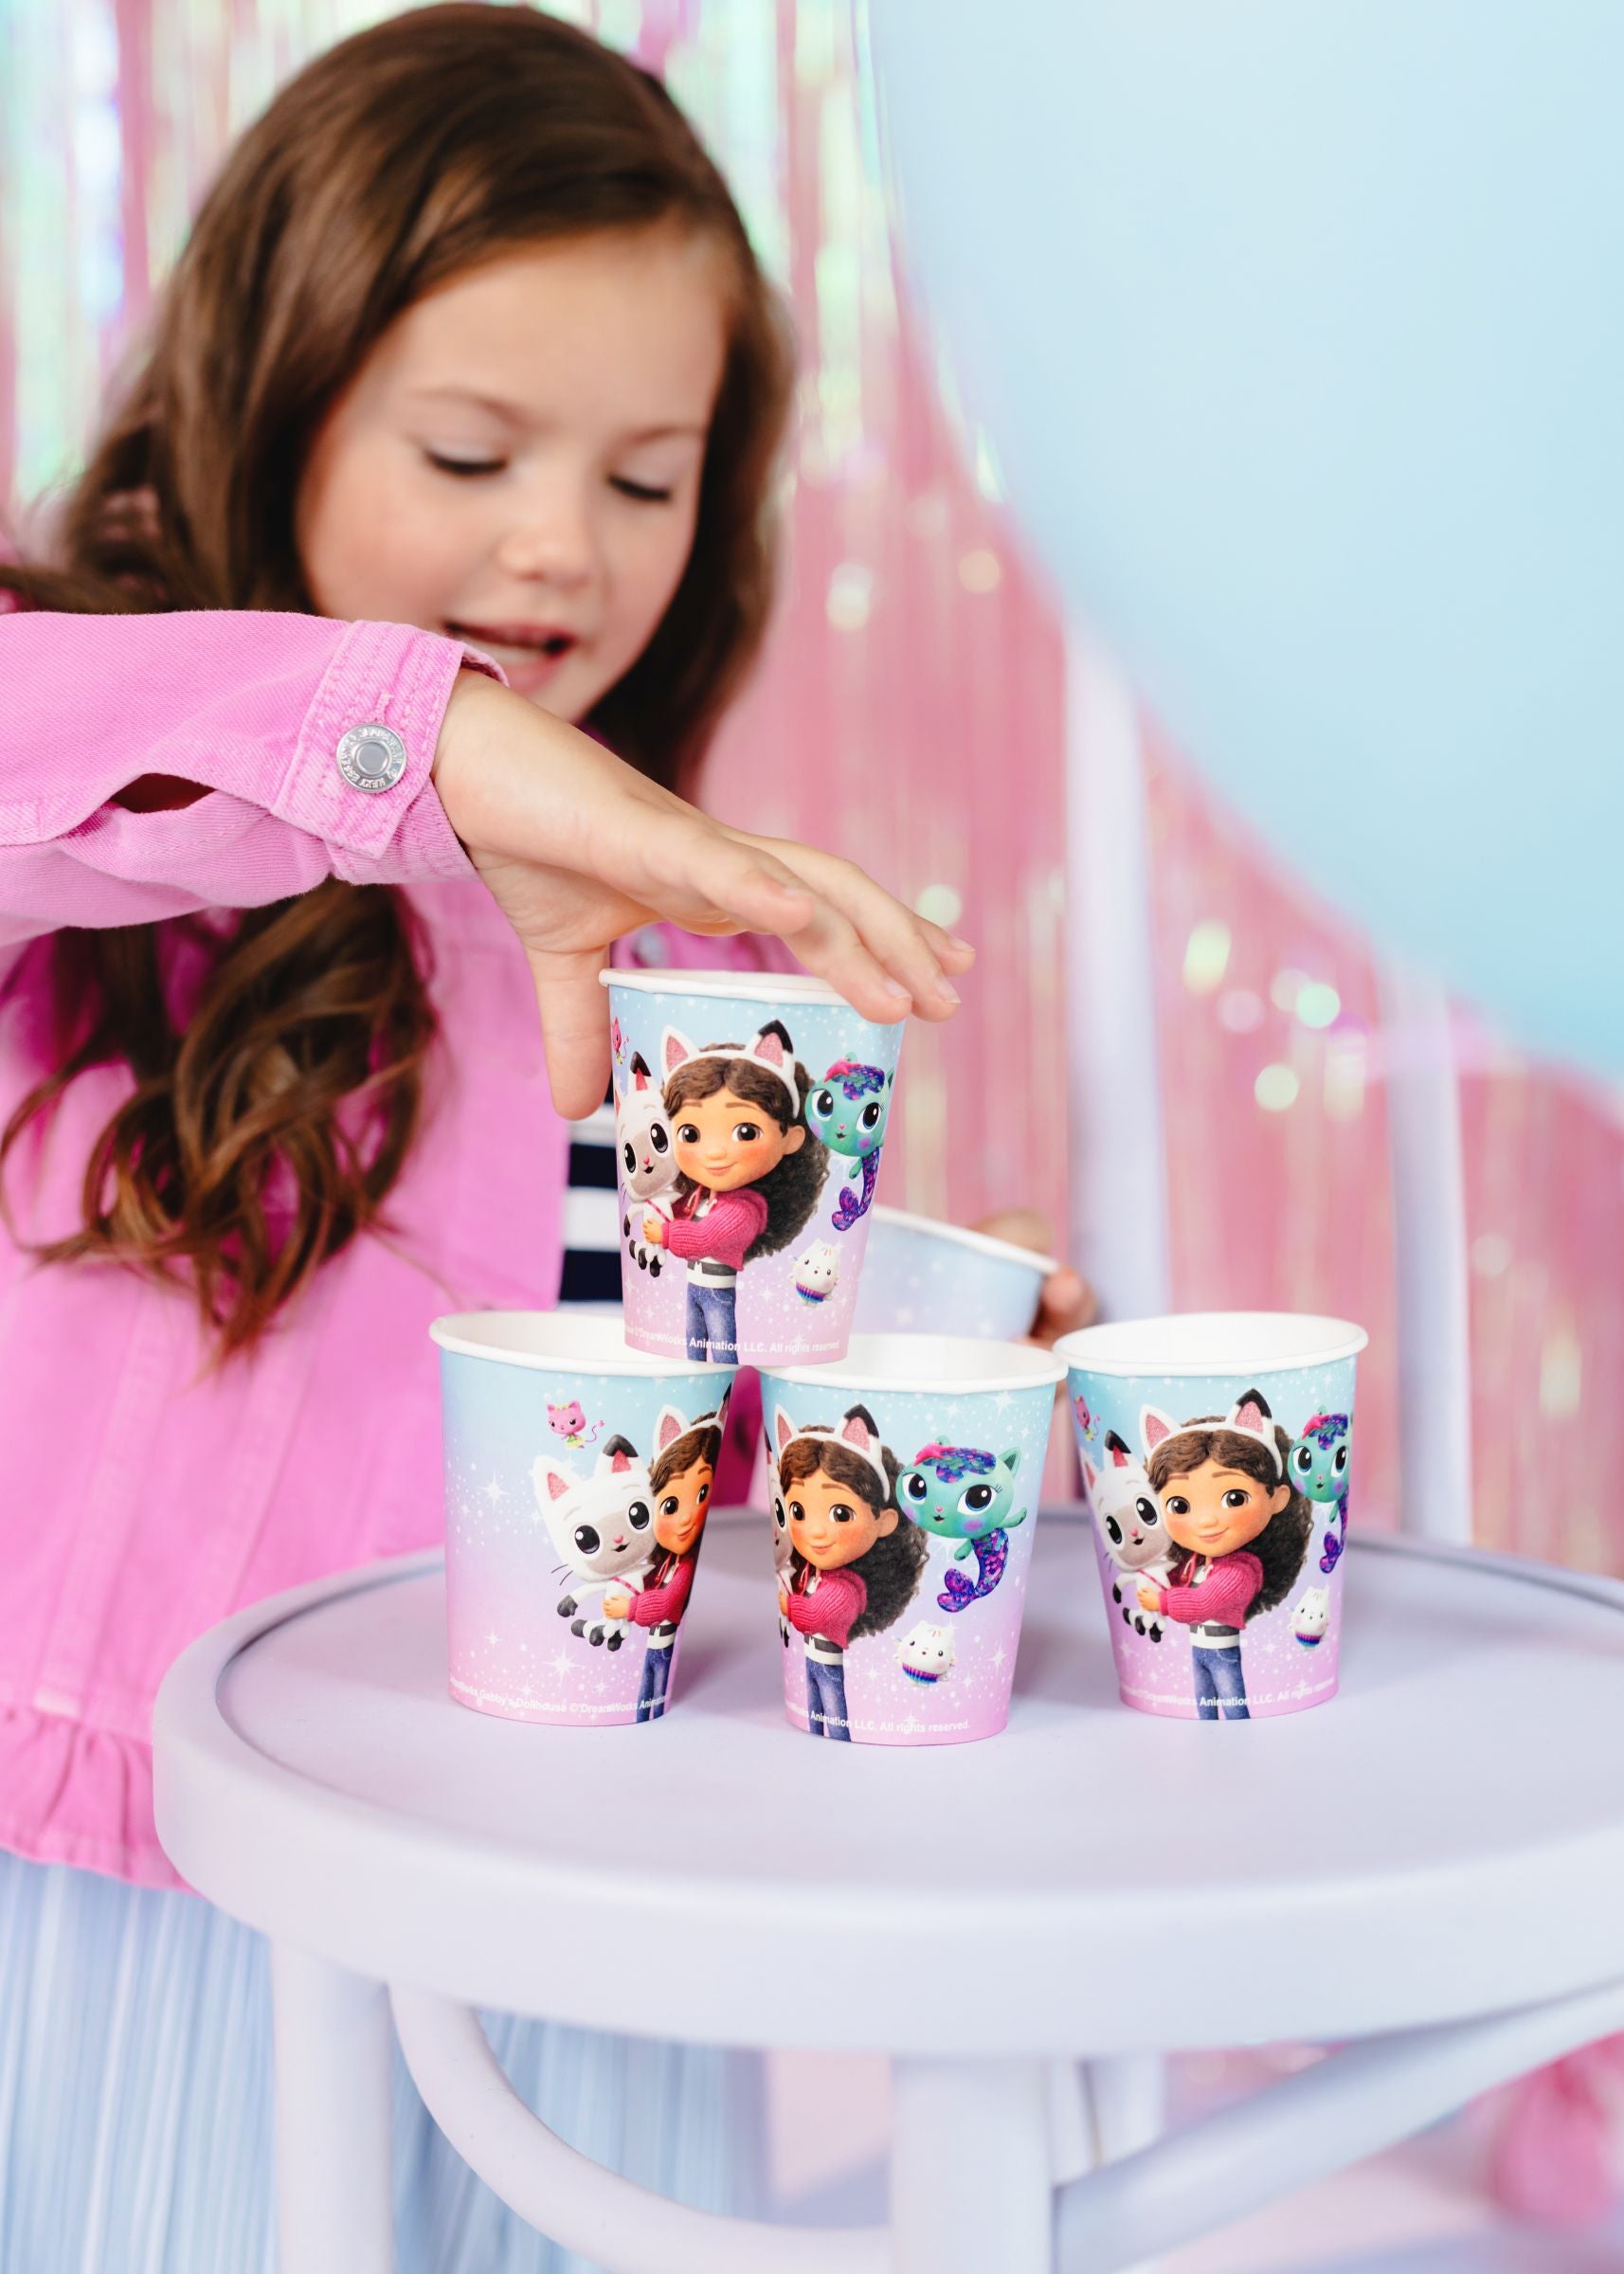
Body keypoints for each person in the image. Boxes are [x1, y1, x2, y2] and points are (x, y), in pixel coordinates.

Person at [0, 8, 1082, 2263]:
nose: (557, 550)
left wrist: (898, 1355)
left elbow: (651, 1473)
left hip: (529, 1943)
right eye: (471, 451)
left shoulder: (707, 1004)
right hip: (93, 1911)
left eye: (642, 472)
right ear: (274, 398)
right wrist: (414, 745)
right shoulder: (114, 798)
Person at [1133, 1392, 1314, 1721]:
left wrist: (1161, 1602)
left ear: (1278, 1498)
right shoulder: (1197, 1563)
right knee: (1204, 1707)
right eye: (1180, 1506)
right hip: (1200, 1649)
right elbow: (1181, 1580)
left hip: (1221, 1653)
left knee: (1233, 1709)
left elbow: (1203, 1603)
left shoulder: (1239, 1572)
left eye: (1233, 1498)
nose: (1206, 1521)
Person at [773, 1405, 929, 1739]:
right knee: (814, 1714)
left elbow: (815, 1615)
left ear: (884, 1521)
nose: (815, 1532)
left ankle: (838, 1738)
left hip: (828, 1663)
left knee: (834, 1713)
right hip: (814, 1659)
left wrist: (788, 1605)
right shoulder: (814, 1575)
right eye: (798, 1511)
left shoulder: (844, 1588)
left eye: (840, 1513)